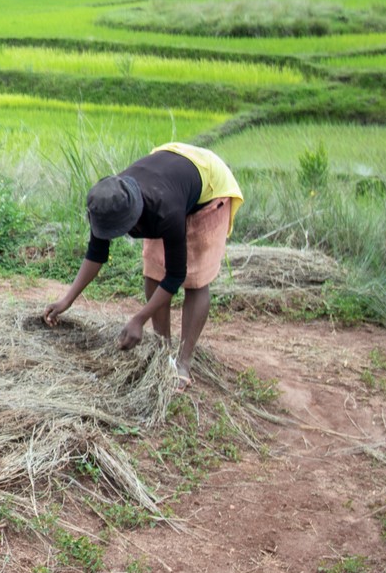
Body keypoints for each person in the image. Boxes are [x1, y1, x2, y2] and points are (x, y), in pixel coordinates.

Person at [42, 142, 243, 388]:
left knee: (196, 279)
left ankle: (183, 362)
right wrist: (67, 300)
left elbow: (177, 275)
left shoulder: (164, 211)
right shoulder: (108, 201)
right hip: (170, 172)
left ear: (133, 218)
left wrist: (139, 319)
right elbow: (96, 254)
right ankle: (163, 351)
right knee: (154, 270)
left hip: (210, 185)